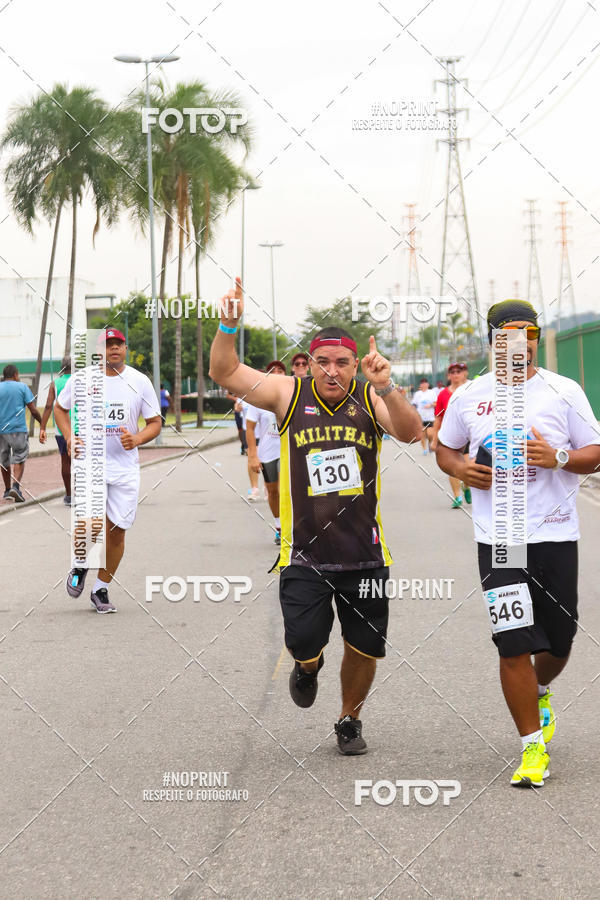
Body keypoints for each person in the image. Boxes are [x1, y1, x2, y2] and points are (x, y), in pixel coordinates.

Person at [209, 279, 422, 755]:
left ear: (356, 364)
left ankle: (350, 718)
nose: (331, 371)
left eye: (342, 363)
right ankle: (307, 668)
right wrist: (228, 323)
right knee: (304, 641)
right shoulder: (288, 393)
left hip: (365, 554)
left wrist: (387, 385)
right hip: (304, 554)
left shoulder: (370, 398)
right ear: (311, 360)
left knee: (364, 647)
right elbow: (224, 370)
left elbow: (411, 434)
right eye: (322, 361)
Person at [436, 299, 600, 787]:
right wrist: (459, 467)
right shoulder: (470, 396)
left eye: (530, 333)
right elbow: (446, 447)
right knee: (513, 644)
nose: (522, 342)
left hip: (553, 533)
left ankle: (541, 688)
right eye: (510, 333)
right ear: (492, 340)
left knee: (561, 638)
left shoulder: (562, 391)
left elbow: (595, 452)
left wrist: (559, 456)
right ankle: (531, 749)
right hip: (499, 538)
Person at [55, 329, 162, 613]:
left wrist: (137, 439)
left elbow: (154, 422)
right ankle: (80, 563)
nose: (113, 348)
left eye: (118, 344)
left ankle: (100, 589)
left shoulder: (140, 382)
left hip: (125, 468)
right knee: (93, 524)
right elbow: (59, 408)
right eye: (108, 344)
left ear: (126, 348)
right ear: (100, 350)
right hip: (90, 462)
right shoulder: (82, 378)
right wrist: (68, 436)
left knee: (117, 533)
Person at [245, 361, 286, 543]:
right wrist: (253, 456)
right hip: (268, 452)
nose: (277, 373)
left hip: (289, 452)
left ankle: (293, 528)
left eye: (280, 370)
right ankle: (279, 526)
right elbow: (250, 428)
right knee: (273, 492)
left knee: (289, 490)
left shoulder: (293, 395)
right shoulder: (258, 398)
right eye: (272, 371)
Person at [430, 362, 471, 509]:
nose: (455, 374)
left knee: (468, 466)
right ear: (449, 375)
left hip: (469, 436)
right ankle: (457, 497)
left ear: (465, 373)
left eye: (458, 371)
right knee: (453, 468)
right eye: (452, 372)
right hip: (450, 437)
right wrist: (434, 441)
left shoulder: (472, 389)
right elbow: (438, 419)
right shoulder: (443, 395)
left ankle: (466, 486)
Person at [0, 364, 42, 503]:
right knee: (19, 457)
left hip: (1, 430)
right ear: (16, 375)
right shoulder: (22, 387)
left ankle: (7, 490)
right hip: (18, 429)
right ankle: (15, 487)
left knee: (4, 460)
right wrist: (42, 423)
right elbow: (33, 410)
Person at [40, 358, 72, 505]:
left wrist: (42, 427)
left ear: (61, 368)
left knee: (65, 460)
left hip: (62, 429)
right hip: (82, 428)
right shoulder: (84, 381)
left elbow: (48, 405)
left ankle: (69, 495)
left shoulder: (55, 383)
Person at [411, 378, 436, 454]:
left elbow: (436, 403)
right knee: (422, 435)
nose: (424, 384)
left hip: (430, 417)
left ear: (428, 384)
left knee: (430, 434)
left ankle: (430, 443)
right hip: (420, 418)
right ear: (420, 385)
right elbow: (414, 404)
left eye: (425, 383)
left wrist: (430, 405)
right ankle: (424, 449)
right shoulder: (417, 394)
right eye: (422, 383)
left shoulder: (432, 393)